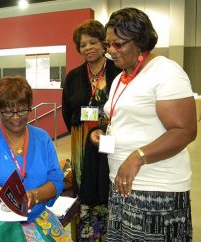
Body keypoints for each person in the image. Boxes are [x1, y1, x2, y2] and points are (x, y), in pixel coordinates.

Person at [90, 7, 197, 241]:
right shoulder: (121, 77)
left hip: (156, 188)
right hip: (122, 184)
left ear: (139, 42)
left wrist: (138, 156)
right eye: (108, 45)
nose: (110, 52)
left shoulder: (165, 72)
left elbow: (185, 130)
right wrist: (101, 131)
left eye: (118, 44)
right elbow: (125, 118)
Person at [0, 76, 72, 241]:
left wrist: (35, 195)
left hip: (39, 218)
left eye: (22, 110)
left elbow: (57, 180)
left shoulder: (42, 138)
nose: (16, 117)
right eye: (8, 111)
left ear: (30, 107)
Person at [62, 19, 121, 241]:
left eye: (93, 42)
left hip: (111, 138)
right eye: (83, 44)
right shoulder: (73, 76)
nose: (88, 48)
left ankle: (110, 233)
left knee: (109, 180)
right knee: (84, 183)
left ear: (104, 44)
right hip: (81, 142)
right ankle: (87, 233)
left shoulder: (118, 70)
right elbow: (67, 110)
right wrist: (82, 133)